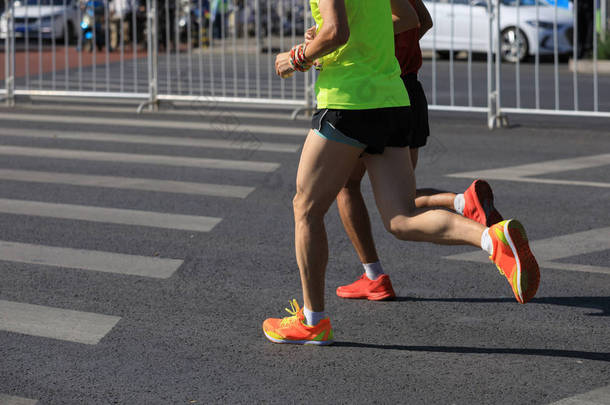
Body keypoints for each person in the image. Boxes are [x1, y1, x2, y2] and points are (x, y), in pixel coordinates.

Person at [263, 0, 539, 346]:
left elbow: (336, 31)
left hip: (349, 101)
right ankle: (492, 239)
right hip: (392, 98)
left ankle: (313, 321)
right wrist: (347, 39)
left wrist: (298, 56)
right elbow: (409, 18)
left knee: (306, 209)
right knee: (403, 216)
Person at [333, 0, 503, 301]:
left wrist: (369, 48)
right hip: (410, 89)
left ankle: (373, 275)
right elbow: (422, 21)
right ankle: (463, 202)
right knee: (402, 194)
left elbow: (405, 21)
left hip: (378, 88)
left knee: (350, 187)